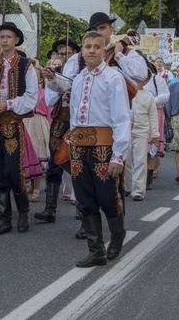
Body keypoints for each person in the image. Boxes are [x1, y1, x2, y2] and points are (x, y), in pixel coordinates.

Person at [38, 12, 147, 230]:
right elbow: (67, 83)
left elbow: (141, 74)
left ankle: (117, 224)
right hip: (77, 121)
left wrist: (118, 55)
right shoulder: (78, 58)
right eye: (95, 29)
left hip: (109, 125)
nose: (100, 33)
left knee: (111, 178)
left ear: (111, 31)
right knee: (78, 172)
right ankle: (85, 221)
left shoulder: (125, 52)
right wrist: (52, 78)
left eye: (104, 28)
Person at [69, 31, 131, 267]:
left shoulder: (113, 77)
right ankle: (96, 250)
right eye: (88, 46)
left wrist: (118, 155)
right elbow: (75, 114)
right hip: (79, 146)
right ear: (82, 51)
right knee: (84, 199)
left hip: (104, 146)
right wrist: (72, 140)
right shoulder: (78, 79)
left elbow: (122, 118)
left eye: (97, 46)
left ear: (105, 50)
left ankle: (117, 234)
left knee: (108, 196)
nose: (92, 50)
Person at [0, 22, 39, 235]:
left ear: (16, 40)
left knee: (12, 171)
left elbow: (32, 97)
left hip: (11, 123)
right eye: (1, 37)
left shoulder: (26, 65)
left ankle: (23, 210)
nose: (4, 40)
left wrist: (9, 104)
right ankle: (4, 218)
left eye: (8, 37)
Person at [125, 70, 159, 201]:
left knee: (140, 161)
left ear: (146, 81)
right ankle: (127, 187)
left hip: (142, 132)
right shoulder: (125, 93)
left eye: (142, 78)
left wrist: (155, 134)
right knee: (126, 161)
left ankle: (138, 190)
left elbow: (153, 116)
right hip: (126, 132)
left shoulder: (148, 96)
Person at [22, 64, 52, 202]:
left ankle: (36, 191)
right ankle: (27, 184)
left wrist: (50, 128)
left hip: (39, 123)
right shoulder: (24, 92)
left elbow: (49, 112)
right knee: (25, 156)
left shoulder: (43, 93)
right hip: (26, 122)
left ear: (40, 80)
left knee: (38, 158)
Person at [144, 68, 170, 189]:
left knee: (151, 147)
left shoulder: (156, 79)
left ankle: (148, 178)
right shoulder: (132, 78)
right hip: (138, 114)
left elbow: (165, 96)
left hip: (154, 112)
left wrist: (149, 101)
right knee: (139, 146)